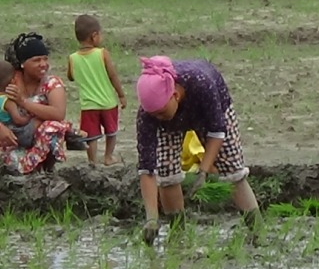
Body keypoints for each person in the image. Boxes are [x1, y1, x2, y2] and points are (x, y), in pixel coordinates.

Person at [135, 56, 263, 245]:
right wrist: (151, 219)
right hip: (173, 124)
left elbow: (218, 131)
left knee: (233, 170)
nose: (158, 118)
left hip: (209, 112)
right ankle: (178, 234)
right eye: (153, 115)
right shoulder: (149, 115)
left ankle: (258, 232)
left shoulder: (202, 84)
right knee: (166, 172)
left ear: (175, 96)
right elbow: (147, 168)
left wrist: (203, 171)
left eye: (161, 113)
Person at [0, 32, 87, 174]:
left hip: (35, 138)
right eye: (36, 60)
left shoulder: (51, 83)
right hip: (10, 139)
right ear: (22, 64)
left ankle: (47, 171)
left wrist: (23, 103)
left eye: (45, 59)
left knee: (53, 126)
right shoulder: (8, 79)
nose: (43, 64)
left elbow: (58, 113)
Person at [67, 14, 127, 166]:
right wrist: (121, 95)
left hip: (88, 105)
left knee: (90, 136)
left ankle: (92, 161)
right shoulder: (102, 54)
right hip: (108, 102)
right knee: (111, 132)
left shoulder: (73, 58)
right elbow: (113, 76)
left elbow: (70, 76)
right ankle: (108, 156)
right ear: (94, 36)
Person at [0, 60, 40, 148]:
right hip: (15, 134)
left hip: (4, 131)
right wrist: (29, 118)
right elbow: (18, 120)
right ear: (13, 81)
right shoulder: (8, 101)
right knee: (39, 120)